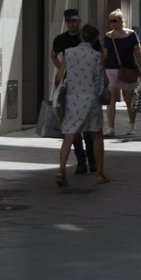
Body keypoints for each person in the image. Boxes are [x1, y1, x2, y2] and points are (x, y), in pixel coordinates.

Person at [54, 24, 109, 186]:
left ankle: (61, 171)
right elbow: (104, 81)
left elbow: (59, 78)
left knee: (69, 134)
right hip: (91, 99)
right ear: (95, 39)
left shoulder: (69, 53)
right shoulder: (97, 56)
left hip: (73, 99)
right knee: (96, 134)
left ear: (81, 36)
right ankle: (100, 173)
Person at [51, 9, 94, 174]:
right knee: (74, 126)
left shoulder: (86, 37)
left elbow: (99, 57)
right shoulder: (61, 39)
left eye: (74, 21)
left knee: (87, 125)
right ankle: (81, 161)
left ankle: (91, 159)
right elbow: (53, 55)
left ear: (79, 20)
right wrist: (62, 70)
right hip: (71, 86)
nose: (72, 24)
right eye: (69, 21)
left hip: (87, 85)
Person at [102, 11, 141, 138]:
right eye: (110, 21)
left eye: (115, 21)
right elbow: (105, 55)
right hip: (111, 69)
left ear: (122, 22)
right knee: (111, 99)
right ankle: (111, 127)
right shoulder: (108, 36)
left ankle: (132, 125)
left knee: (129, 100)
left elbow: (138, 53)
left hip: (128, 70)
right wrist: (102, 70)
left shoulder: (131, 35)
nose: (112, 23)